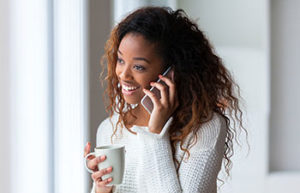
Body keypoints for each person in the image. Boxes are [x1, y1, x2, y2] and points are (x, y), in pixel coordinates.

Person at [84, 6, 246, 193]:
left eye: (138, 67)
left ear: (171, 72)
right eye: (120, 60)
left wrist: (155, 134)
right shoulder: (110, 129)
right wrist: (101, 189)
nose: (123, 75)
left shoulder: (205, 128)